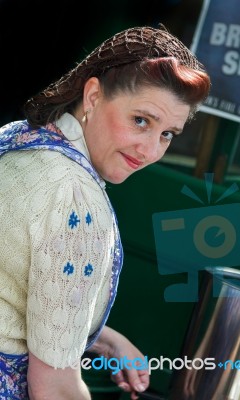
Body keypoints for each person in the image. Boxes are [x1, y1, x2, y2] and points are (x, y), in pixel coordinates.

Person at [0, 24, 211, 399]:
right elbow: (55, 387)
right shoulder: (78, 204)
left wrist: (106, 341)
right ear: (94, 96)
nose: (149, 151)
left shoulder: (17, 137)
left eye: (168, 134)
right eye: (141, 120)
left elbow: (12, 291)